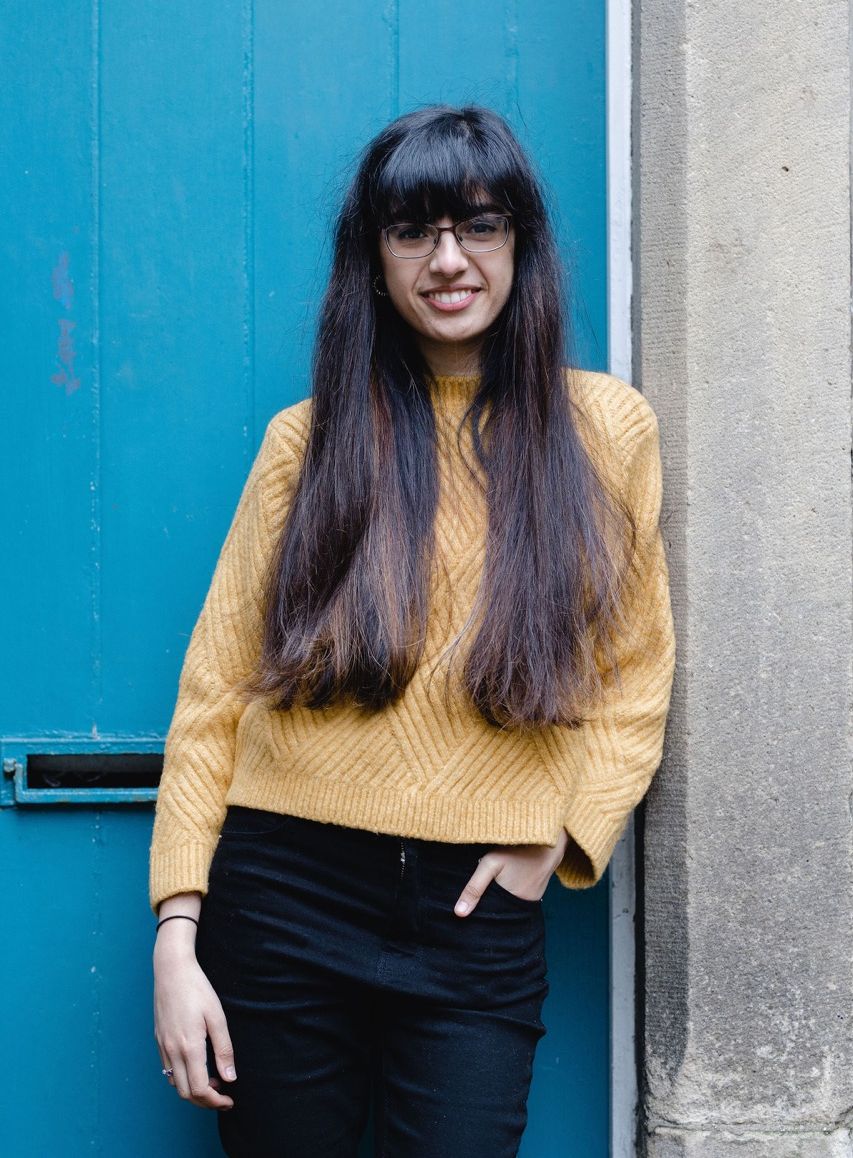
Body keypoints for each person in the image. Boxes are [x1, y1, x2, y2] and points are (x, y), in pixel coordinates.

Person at [149, 104, 676, 1158]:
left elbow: (634, 678)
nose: (448, 259)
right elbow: (216, 690)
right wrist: (176, 938)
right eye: (414, 232)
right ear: (374, 257)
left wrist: (566, 831)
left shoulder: (605, 431)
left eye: (478, 226)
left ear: (520, 245)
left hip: (473, 917)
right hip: (282, 896)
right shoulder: (305, 445)